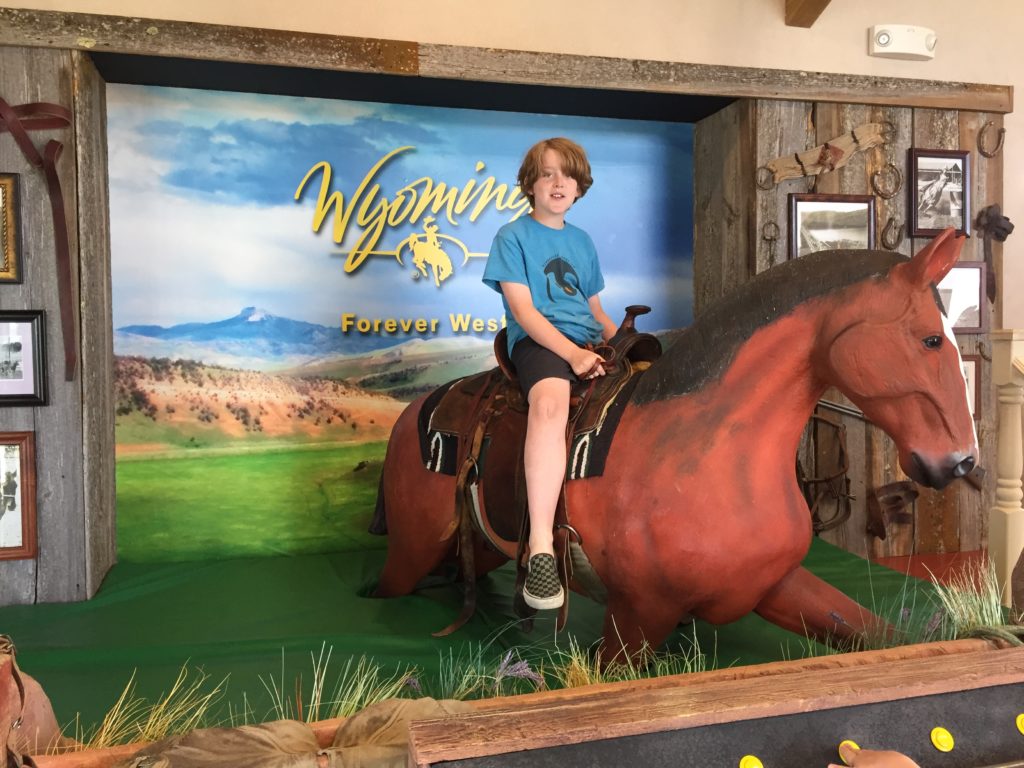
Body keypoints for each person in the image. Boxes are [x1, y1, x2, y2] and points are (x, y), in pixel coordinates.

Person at [482, 137, 616, 610]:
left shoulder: (581, 241)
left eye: (567, 175)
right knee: (550, 404)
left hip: (586, 340)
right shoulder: (512, 236)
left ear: (579, 187)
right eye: (547, 173)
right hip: (540, 341)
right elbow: (523, 310)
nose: (558, 182)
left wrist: (624, 344)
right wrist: (571, 355)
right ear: (530, 185)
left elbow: (596, 310)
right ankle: (540, 546)